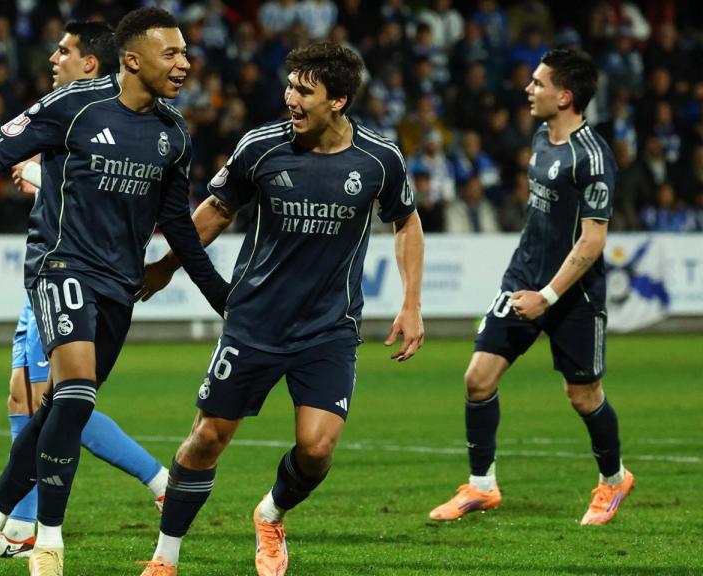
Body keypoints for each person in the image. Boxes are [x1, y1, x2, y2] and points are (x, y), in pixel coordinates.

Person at [0, 8, 229, 576]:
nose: (185, 63)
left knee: (58, 408)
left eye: (185, 53)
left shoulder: (174, 134)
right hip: (61, 267)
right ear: (133, 60)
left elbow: (178, 226)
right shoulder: (72, 106)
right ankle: (48, 545)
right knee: (74, 391)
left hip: (119, 286)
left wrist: (223, 298)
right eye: (172, 53)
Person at [136, 42, 425, 576]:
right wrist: (166, 265)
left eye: (304, 91)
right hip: (255, 322)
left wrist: (411, 303)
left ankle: (270, 514)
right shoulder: (261, 147)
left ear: (338, 101)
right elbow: (216, 210)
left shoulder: (379, 159)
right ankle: (164, 558)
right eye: (290, 85)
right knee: (207, 438)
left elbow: (405, 221)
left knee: (316, 449)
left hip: (329, 328)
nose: (290, 98)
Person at [0, 21, 168, 561]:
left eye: (65, 51)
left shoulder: (101, 116)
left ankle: (39, 522)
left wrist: (36, 176)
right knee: (27, 396)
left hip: (68, 274)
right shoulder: (65, 115)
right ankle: (22, 522)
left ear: (91, 63)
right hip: (49, 273)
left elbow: (105, 198)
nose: (53, 59)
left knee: (58, 399)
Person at [428, 48, 633, 526]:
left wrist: (549, 297)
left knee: (583, 395)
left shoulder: (592, 157)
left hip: (573, 294)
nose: (528, 88)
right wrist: (530, 281)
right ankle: (482, 486)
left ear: (565, 96)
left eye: (539, 83)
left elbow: (593, 240)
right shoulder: (541, 136)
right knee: (478, 378)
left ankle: (613, 479)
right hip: (523, 279)